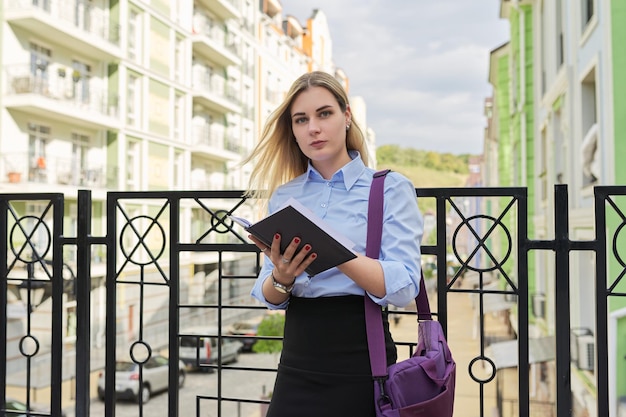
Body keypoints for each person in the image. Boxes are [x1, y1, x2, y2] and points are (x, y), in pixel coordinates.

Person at [243, 71, 423, 417]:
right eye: (301, 119)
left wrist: (331, 251)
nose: (313, 127)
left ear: (346, 117)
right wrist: (283, 276)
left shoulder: (389, 189)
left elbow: (403, 288)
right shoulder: (285, 196)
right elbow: (269, 296)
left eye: (324, 113)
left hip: (361, 356)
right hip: (297, 356)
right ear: (293, 131)